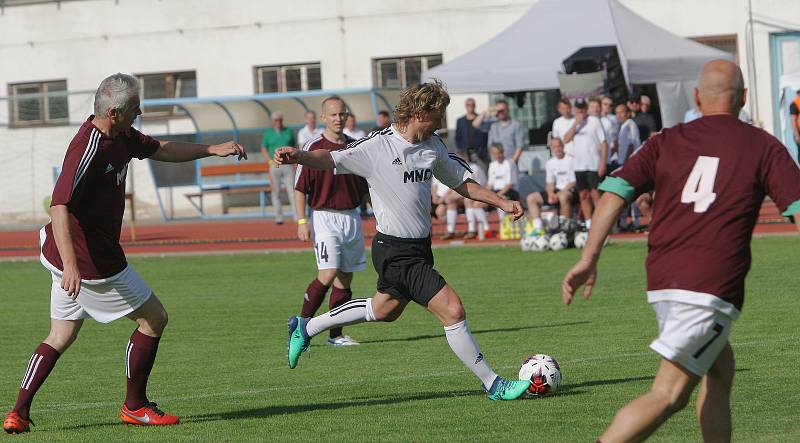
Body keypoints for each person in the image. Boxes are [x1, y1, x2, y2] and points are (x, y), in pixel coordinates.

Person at [562, 59, 800, 443]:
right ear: (744, 98)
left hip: (663, 280)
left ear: (696, 97)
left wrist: (589, 257)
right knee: (669, 394)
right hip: (709, 288)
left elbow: (613, 194)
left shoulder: (665, 139)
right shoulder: (762, 145)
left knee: (720, 369)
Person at [1, 73, 247, 434]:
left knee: (61, 335)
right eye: (135, 108)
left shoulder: (120, 135)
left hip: (65, 254)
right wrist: (72, 266)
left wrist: (210, 150)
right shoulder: (88, 147)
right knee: (154, 318)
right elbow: (59, 207)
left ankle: (17, 412)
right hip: (90, 261)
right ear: (114, 112)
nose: (141, 112)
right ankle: (135, 406)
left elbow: (161, 149)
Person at [274, 79, 531, 401]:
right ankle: (494, 384)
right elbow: (330, 158)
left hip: (419, 249)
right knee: (453, 310)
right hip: (394, 250)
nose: (441, 123)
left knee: (384, 310)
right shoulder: (377, 146)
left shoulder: (433, 146)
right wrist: (299, 156)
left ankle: (305, 327)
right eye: (437, 116)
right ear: (420, 112)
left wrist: (502, 203)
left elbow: (461, 182)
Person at [293, 97, 369, 347]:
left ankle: (335, 335)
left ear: (347, 117)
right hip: (325, 217)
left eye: (342, 114)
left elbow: (364, 185)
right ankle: (301, 325)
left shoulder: (355, 146)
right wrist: (302, 220)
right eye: (333, 115)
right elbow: (299, 188)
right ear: (323, 117)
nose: (338, 118)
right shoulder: (313, 147)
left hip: (352, 217)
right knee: (327, 274)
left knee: (345, 278)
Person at [562, 98, 607, 231]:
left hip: (593, 165)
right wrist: (576, 123)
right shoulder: (573, 122)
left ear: (586, 108)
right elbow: (565, 139)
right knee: (583, 195)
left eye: (583, 108)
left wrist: (602, 163)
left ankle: (601, 222)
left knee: (595, 194)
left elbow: (603, 143)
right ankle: (589, 223)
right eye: (578, 108)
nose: (580, 111)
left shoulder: (595, 121)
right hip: (579, 166)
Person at [525, 138, 576, 235]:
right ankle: (539, 229)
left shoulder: (571, 160)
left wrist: (561, 192)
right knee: (531, 198)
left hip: (570, 190)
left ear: (563, 147)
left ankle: (564, 229)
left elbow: (574, 181)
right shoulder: (550, 163)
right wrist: (550, 194)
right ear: (551, 148)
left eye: (559, 146)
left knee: (563, 196)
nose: (558, 149)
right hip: (557, 191)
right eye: (555, 147)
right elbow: (549, 184)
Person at [261, 112, 296, 224]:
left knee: (292, 191)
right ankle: (279, 217)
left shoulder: (288, 131)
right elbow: (264, 149)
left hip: (288, 165)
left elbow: (294, 147)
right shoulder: (268, 133)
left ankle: (297, 216)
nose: (278, 122)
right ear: (272, 121)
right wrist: (269, 161)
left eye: (280, 120)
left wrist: (294, 162)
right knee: (276, 191)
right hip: (274, 165)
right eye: (276, 120)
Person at [473, 100, 524, 165]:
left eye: (503, 110)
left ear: (508, 110)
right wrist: (486, 111)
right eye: (498, 111)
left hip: (510, 161)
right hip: (495, 162)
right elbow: (475, 124)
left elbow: (520, 146)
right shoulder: (492, 124)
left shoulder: (516, 125)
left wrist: (513, 162)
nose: (500, 112)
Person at [486, 142, 520, 229]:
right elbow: (490, 185)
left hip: (510, 191)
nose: (497, 156)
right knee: (476, 204)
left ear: (503, 152)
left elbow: (510, 184)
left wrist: (497, 195)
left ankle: (503, 226)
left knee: (501, 199)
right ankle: (485, 229)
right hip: (497, 191)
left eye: (499, 153)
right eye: (495, 154)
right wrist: (482, 195)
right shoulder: (492, 165)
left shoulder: (510, 163)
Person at [455, 97, 488, 169]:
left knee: (481, 173)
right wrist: (461, 152)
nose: (470, 106)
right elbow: (458, 138)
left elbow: (486, 136)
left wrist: (483, 151)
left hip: (479, 153)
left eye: (472, 105)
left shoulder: (480, 119)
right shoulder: (460, 121)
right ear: (465, 106)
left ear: (475, 106)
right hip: (466, 154)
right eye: (468, 105)